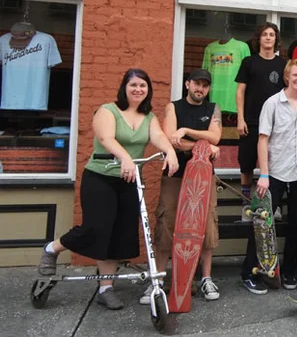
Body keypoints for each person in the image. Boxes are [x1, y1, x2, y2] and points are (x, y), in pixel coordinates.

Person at [38, 69, 179, 310]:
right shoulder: (107, 111)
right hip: (101, 177)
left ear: (148, 90)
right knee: (95, 228)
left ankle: (106, 288)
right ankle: (52, 248)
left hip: (129, 180)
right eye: (133, 85)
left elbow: (157, 136)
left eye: (143, 86)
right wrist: (125, 157)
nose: (138, 90)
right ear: (125, 87)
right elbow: (107, 139)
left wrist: (171, 151)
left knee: (119, 234)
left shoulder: (148, 117)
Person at [138, 69, 222, 304]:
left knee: (206, 224)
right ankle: (159, 280)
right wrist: (203, 144)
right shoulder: (173, 107)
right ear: (187, 84)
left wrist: (186, 132)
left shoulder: (212, 109)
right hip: (175, 174)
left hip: (204, 175)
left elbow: (215, 137)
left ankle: (205, 278)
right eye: (196, 83)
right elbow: (170, 141)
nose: (201, 89)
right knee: (167, 223)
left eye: (205, 85)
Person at [251, 58, 297, 291]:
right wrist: (263, 174)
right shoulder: (273, 103)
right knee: (262, 225)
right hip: (275, 172)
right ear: (287, 77)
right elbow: (263, 139)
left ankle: (288, 272)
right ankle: (253, 272)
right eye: (295, 75)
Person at [235, 23, 286, 221]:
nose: (267, 38)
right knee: (246, 165)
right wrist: (240, 118)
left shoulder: (283, 65)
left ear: (276, 39)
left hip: (276, 125)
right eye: (264, 34)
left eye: (271, 35)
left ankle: (275, 205)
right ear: (259, 39)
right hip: (251, 122)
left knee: (274, 166)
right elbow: (240, 92)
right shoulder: (249, 62)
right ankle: (246, 203)